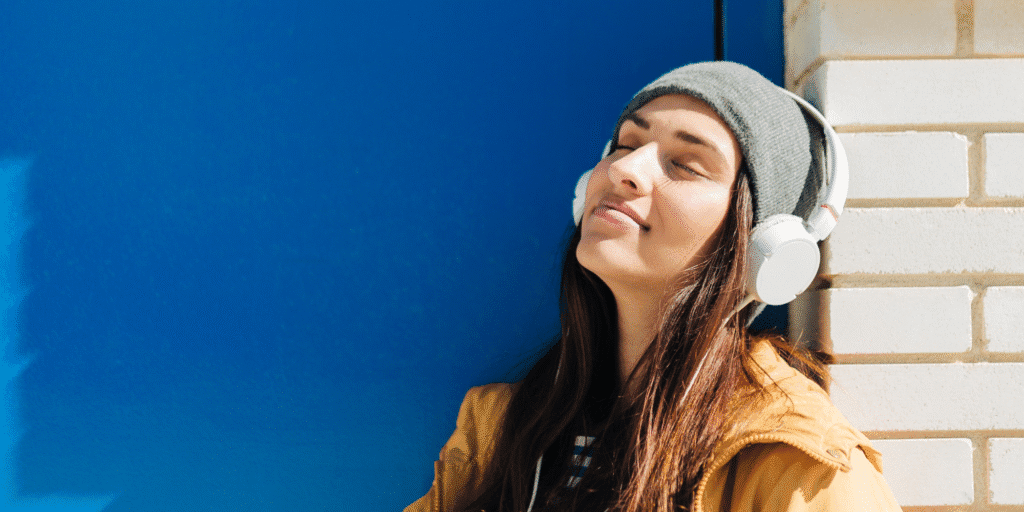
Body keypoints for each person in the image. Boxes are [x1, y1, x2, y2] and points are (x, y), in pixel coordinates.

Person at [406, 62, 902, 512]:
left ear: (761, 245)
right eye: (624, 145)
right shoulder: (498, 429)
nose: (624, 170)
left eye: (685, 165)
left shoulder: (801, 464)